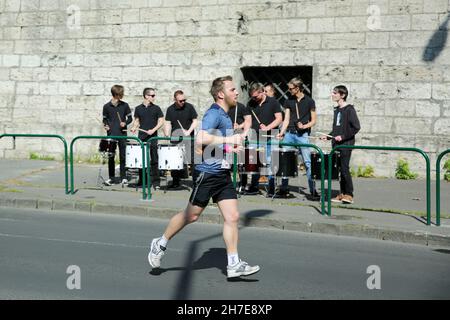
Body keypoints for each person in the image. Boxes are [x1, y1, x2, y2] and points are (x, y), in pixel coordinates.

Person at [148, 76, 260, 279]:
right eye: (232, 89)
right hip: (207, 173)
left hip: (222, 174)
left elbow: (212, 144)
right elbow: (200, 139)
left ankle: (233, 263)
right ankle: (160, 242)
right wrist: (228, 138)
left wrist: (230, 147)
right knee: (191, 215)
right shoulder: (214, 113)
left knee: (232, 217)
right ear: (221, 94)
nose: (236, 92)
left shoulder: (226, 116)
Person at [276, 77, 319, 200]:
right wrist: (282, 132)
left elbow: (314, 120)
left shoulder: (310, 101)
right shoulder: (288, 101)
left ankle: (313, 190)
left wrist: (304, 126)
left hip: (302, 135)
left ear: (297, 88)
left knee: (308, 162)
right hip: (289, 134)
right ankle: (284, 188)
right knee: (285, 161)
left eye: (291, 88)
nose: (289, 90)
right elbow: (286, 119)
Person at [320, 85, 360, 204]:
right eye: (332, 92)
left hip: (346, 144)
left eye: (335, 93)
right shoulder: (337, 110)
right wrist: (328, 136)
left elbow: (356, 127)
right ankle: (342, 193)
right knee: (339, 170)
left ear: (342, 95)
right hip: (336, 144)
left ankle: (349, 194)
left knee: (344, 169)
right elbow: (337, 129)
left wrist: (342, 137)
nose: (332, 95)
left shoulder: (349, 109)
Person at [241, 82, 282, 197]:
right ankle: (254, 187)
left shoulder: (273, 102)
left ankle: (271, 189)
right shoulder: (250, 104)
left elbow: (279, 119)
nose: (254, 99)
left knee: (270, 162)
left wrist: (268, 127)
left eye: (256, 96)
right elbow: (248, 121)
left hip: (271, 135)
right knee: (254, 162)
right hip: (255, 136)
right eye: (252, 96)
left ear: (262, 91)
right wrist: (244, 133)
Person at [130, 88, 164, 189]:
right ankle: (142, 180)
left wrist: (153, 130)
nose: (154, 97)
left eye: (154, 95)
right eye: (152, 95)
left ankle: (156, 182)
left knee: (154, 159)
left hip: (153, 137)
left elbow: (161, 121)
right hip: (142, 137)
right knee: (142, 160)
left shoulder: (156, 108)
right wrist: (134, 127)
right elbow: (136, 121)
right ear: (146, 96)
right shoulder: (138, 108)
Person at [164, 90, 199, 189]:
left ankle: (195, 182)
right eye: (180, 101)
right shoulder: (170, 109)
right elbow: (167, 122)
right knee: (175, 160)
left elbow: (195, 121)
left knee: (193, 160)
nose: (183, 102)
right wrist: (166, 132)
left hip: (189, 137)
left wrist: (188, 131)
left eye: (184, 100)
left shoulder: (189, 107)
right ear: (175, 100)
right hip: (176, 138)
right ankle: (176, 181)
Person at [102, 85, 132, 185]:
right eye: (121, 93)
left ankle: (123, 177)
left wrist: (125, 123)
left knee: (123, 156)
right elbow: (104, 119)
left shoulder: (125, 105)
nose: (123, 95)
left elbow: (130, 118)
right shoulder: (106, 106)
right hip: (111, 134)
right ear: (116, 94)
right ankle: (111, 178)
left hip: (122, 134)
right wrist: (106, 125)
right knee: (111, 156)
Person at [227, 101, 252, 191]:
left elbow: (248, 121)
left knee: (241, 162)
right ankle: (229, 183)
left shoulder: (240, 106)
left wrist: (239, 126)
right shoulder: (224, 106)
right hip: (227, 135)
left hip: (239, 135)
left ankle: (243, 183)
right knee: (228, 161)